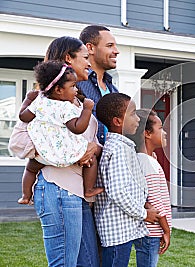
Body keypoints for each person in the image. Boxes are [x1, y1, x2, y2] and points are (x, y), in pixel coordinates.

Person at [35, 36, 102, 267]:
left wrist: (93, 148)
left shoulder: (76, 101)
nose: (89, 64)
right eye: (85, 58)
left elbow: (90, 143)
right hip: (59, 189)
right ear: (68, 59)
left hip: (79, 194)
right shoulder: (43, 102)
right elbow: (19, 143)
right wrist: (73, 155)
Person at [17, 61, 103, 205]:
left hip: (43, 152)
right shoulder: (65, 107)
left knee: (31, 169)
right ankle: (88, 189)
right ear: (58, 89)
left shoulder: (39, 102)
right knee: (91, 160)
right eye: (73, 86)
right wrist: (87, 109)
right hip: (66, 152)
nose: (76, 90)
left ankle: (26, 195)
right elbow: (78, 128)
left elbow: (23, 117)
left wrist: (27, 99)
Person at [94, 93, 161, 267]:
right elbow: (117, 191)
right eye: (132, 114)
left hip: (123, 229)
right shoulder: (118, 150)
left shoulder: (123, 146)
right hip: (117, 232)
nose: (138, 118)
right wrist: (144, 214)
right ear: (117, 121)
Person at [130, 109, 172, 267]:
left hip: (147, 230)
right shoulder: (147, 162)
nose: (165, 132)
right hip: (151, 230)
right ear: (147, 133)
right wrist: (166, 230)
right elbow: (154, 202)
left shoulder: (145, 159)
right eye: (161, 128)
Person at [77, 25, 119, 145]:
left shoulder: (114, 91)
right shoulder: (75, 84)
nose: (116, 51)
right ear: (90, 48)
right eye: (110, 46)